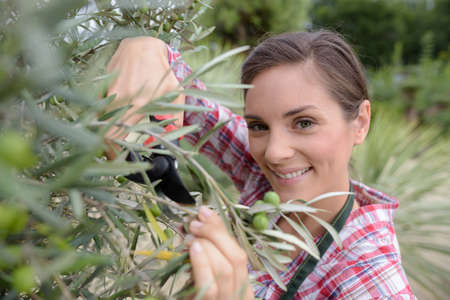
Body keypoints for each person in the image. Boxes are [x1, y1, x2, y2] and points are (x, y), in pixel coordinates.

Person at [104, 31, 416, 299]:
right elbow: (181, 89)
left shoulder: (371, 281)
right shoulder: (267, 174)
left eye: (304, 123)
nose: (274, 153)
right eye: (258, 126)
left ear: (360, 123)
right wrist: (143, 47)